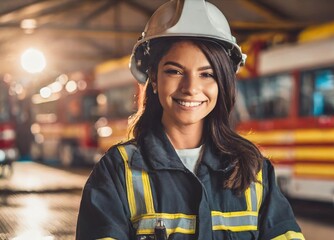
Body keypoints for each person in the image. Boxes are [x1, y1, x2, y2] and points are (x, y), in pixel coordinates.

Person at [76, 0, 305, 239]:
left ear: (222, 83)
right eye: (174, 71)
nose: (191, 88)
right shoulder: (118, 170)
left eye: (207, 74)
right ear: (153, 78)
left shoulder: (254, 168)